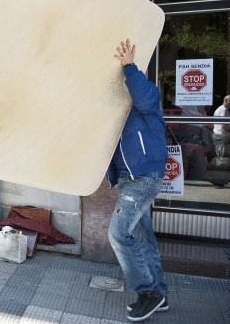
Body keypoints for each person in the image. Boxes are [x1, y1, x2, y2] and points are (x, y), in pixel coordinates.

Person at [107, 39, 169, 322]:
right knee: (143, 236)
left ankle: (148, 293)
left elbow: (143, 96)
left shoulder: (147, 97)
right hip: (130, 178)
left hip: (143, 177)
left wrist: (129, 67)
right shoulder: (115, 111)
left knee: (118, 233)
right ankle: (161, 293)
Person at [212, 95, 230, 159]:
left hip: (221, 135)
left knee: (221, 153)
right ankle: (220, 167)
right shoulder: (223, 110)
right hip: (220, 135)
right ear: (226, 101)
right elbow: (224, 126)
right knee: (221, 155)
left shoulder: (222, 109)